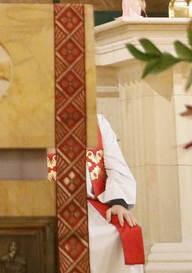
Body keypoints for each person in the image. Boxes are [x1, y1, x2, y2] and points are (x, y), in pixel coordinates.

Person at [87, 113, 141, 273]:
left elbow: (116, 165)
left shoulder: (97, 121)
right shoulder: (32, 119)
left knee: (127, 233)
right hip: (46, 206)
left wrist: (118, 202)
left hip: (92, 205)